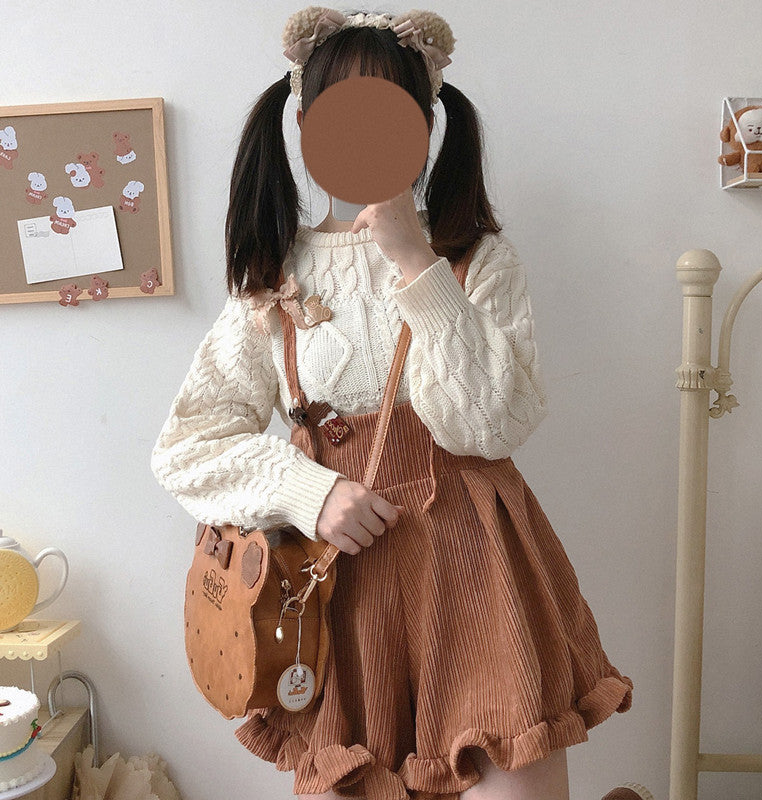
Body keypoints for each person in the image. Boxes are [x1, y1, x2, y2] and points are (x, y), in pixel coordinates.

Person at [150, 7, 634, 800]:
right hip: (344, 594)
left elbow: (492, 426)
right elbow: (187, 446)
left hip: (480, 577)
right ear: (305, 125)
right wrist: (310, 493)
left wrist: (416, 263)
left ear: (427, 127)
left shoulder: (478, 259)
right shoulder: (275, 277)